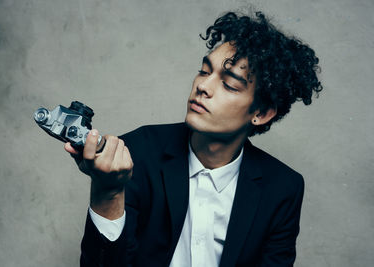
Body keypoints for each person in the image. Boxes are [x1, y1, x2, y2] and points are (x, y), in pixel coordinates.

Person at [65, 11, 322, 267]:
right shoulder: (139, 151)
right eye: (203, 71)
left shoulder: (283, 188)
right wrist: (107, 193)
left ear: (261, 113)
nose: (203, 86)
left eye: (229, 85)